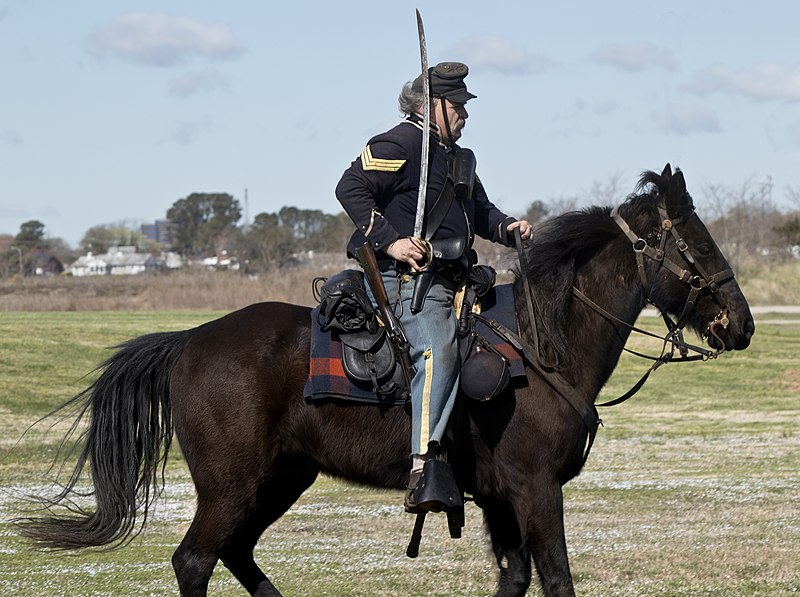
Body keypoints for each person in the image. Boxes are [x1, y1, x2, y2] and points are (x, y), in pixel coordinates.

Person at [336, 61, 532, 512]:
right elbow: (350, 187)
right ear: (432, 106)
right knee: (436, 348)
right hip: (407, 282)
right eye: (459, 106)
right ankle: (426, 463)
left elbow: (480, 212)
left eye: (465, 105)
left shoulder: (458, 158)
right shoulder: (399, 142)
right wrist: (392, 242)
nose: (466, 114)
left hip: (457, 278)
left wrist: (508, 228)